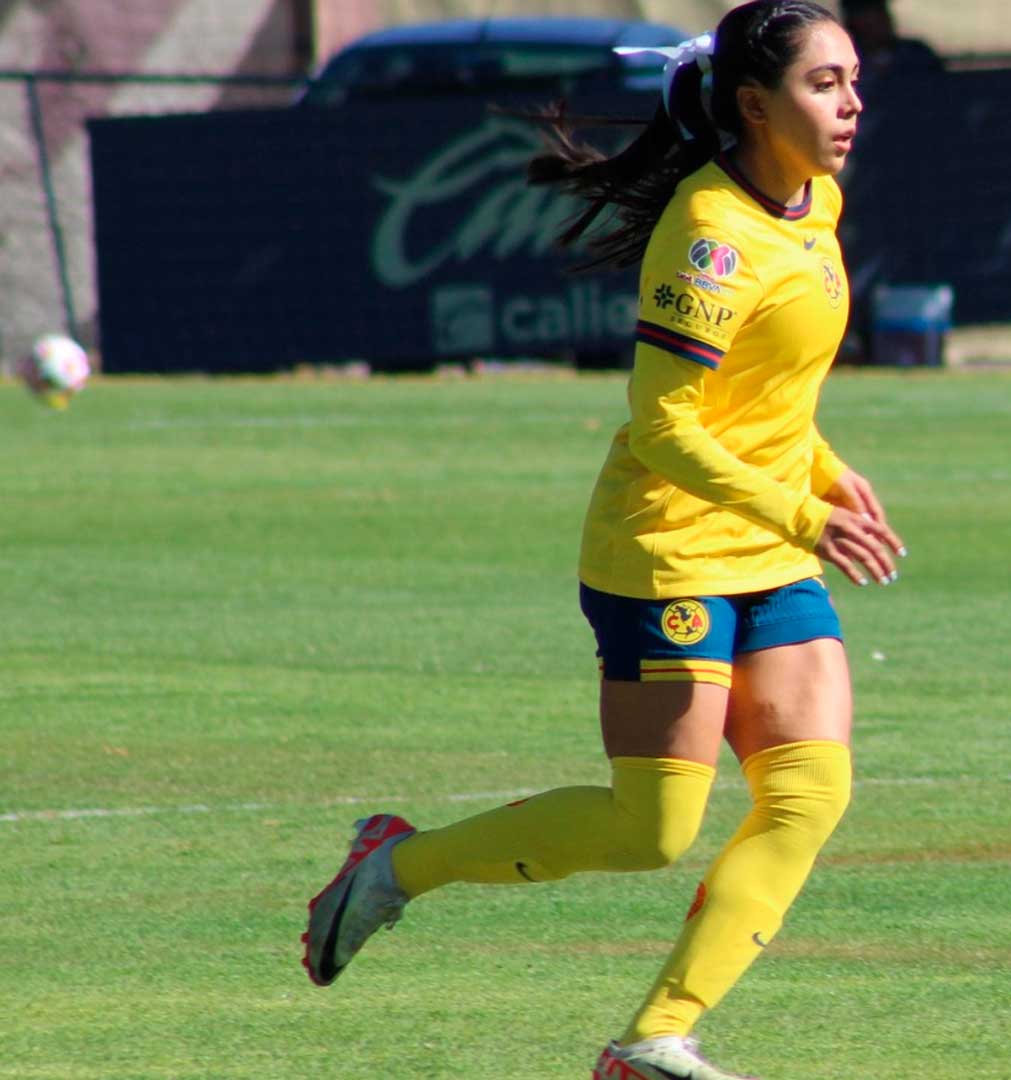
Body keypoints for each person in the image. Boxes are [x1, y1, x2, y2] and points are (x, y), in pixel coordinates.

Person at [299, 5, 904, 1078]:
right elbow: (665, 424)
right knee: (652, 831)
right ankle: (397, 867)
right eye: (825, 83)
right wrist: (805, 510)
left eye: (854, 79)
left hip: (770, 545)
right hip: (666, 547)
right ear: (755, 105)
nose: (852, 103)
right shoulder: (711, 232)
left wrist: (820, 463)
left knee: (810, 794)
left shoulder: (819, 203)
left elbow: (763, 393)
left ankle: (654, 1041)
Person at [840, 0, 943, 78]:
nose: (882, 19)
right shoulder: (845, 63)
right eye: (867, 14)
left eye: (881, 11)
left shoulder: (917, 53)